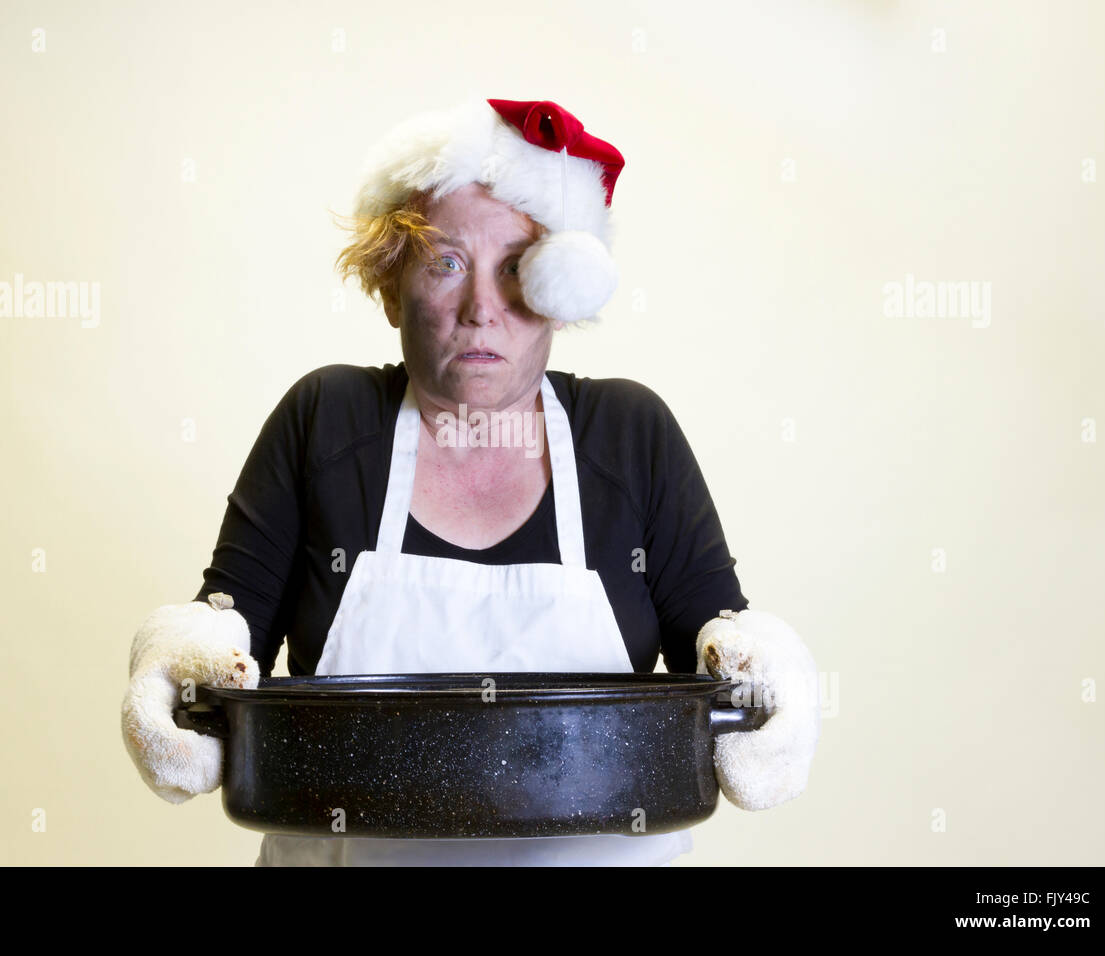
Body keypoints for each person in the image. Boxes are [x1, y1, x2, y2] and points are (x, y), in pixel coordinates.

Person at [121, 97, 820, 866]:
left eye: (518, 268)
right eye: (446, 262)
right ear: (392, 288)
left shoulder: (629, 435)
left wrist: (766, 670)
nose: (482, 308)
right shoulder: (327, 421)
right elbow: (227, 636)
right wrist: (179, 663)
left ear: (562, 291)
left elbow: (718, 648)